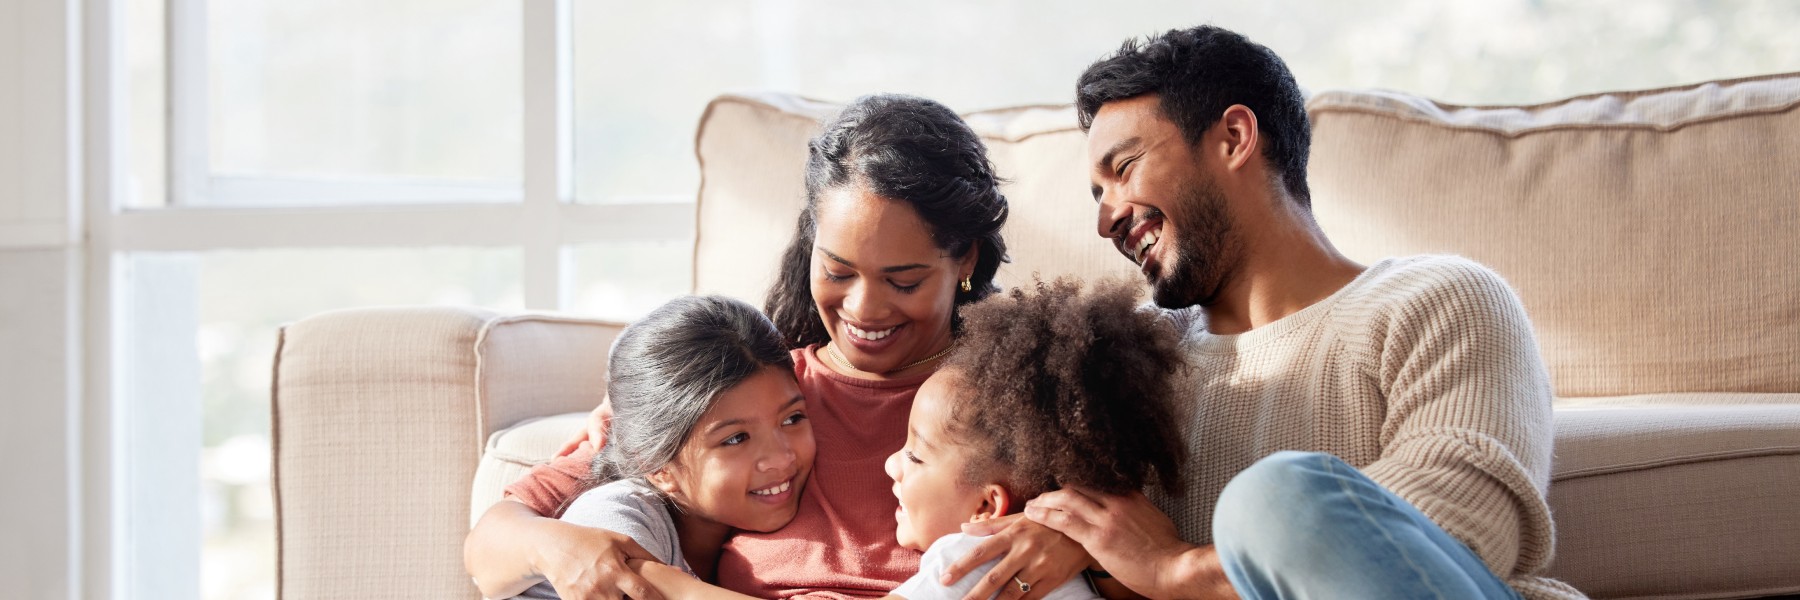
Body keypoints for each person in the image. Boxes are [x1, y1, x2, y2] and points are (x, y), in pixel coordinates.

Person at [951, 25, 1584, 599]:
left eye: (1124, 168)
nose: (1105, 218)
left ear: (1234, 137)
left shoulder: (1441, 301)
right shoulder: (1125, 356)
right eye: (1097, 194)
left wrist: (1178, 568)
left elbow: (1458, 529)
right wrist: (1075, 545)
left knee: (1275, 499)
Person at [465, 94, 1094, 599]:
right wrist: (564, 549)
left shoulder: (1008, 400)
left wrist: (1072, 540)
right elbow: (495, 542)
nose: (864, 309)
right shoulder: (747, 387)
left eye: (903, 280)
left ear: (965, 262)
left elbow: (1119, 537)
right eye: (839, 270)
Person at [883, 278, 1187, 600]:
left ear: (986, 505)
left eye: (915, 455)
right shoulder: (1094, 574)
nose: (891, 463)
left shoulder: (970, 555)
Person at [510, 295, 815, 598]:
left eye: (792, 419)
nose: (780, 457)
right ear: (659, 468)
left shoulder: (732, 521)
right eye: (735, 438)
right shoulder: (617, 516)